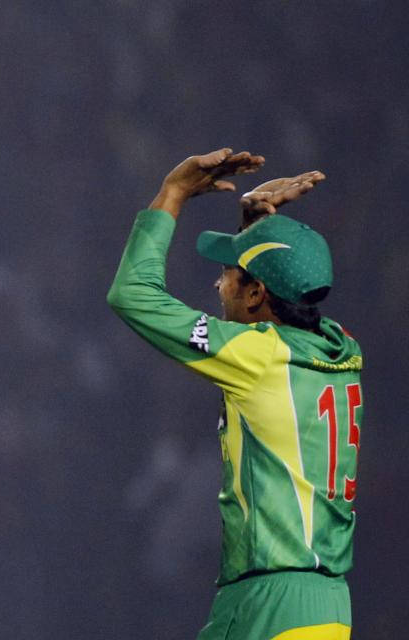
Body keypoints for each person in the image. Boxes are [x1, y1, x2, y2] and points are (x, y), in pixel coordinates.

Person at [107, 149, 362, 640]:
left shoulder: (258, 357)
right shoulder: (340, 347)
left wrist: (174, 192)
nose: (217, 282)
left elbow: (132, 294)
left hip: (273, 605)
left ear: (255, 295)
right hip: (324, 605)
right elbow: (294, 296)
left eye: (229, 273)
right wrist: (255, 238)